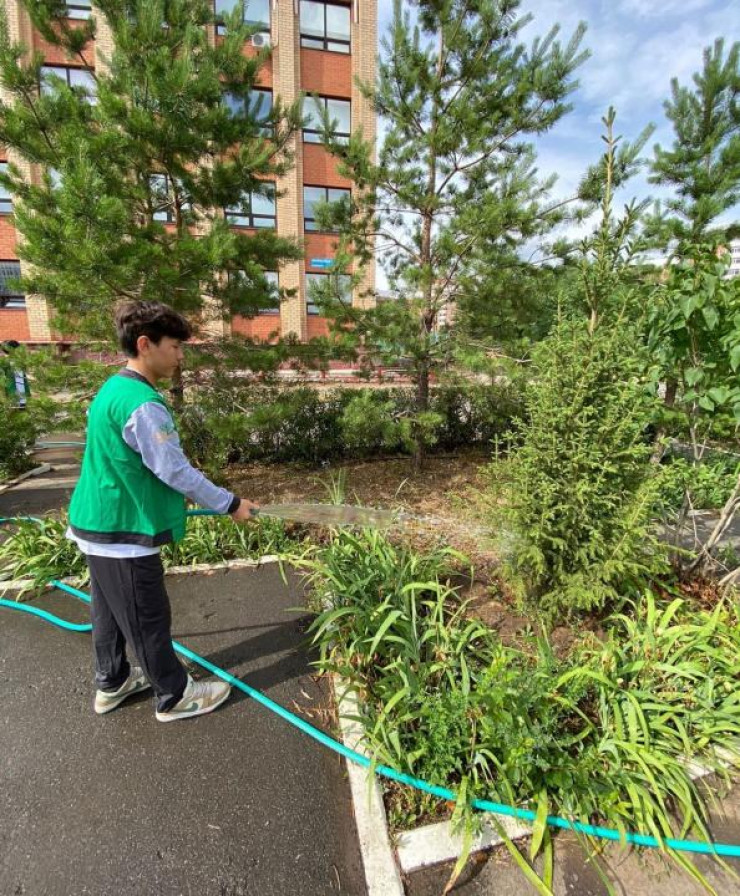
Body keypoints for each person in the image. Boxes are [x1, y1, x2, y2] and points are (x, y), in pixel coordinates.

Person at [66, 301, 258, 722]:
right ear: (145, 344)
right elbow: (174, 470)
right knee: (147, 615)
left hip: (96, 522)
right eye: (174, 346)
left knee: (108, 611)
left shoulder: (113, 388)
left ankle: (113, 681)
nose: (180, 355)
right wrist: (230, 504)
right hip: (122, 529)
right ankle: (174, 695)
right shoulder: (143, 404)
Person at [1, 339, 30, 408]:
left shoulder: (8, 359)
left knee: (18, 388)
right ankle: (21, 403)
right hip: (14, 380)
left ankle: (20, 403)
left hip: (15, 380)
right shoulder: (18, 358)